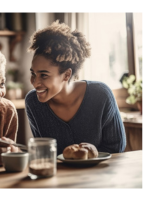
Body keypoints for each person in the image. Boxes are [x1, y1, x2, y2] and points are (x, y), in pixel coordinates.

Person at [25, 21, 126, 154]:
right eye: (33, 73)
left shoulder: (101, 95)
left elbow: (116, 149)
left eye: (43, 75)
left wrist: (92, 154)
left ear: (66, 75)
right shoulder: (33, 102)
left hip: (101, 173)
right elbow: (45, 152)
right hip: (59, 175)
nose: (34, 82)